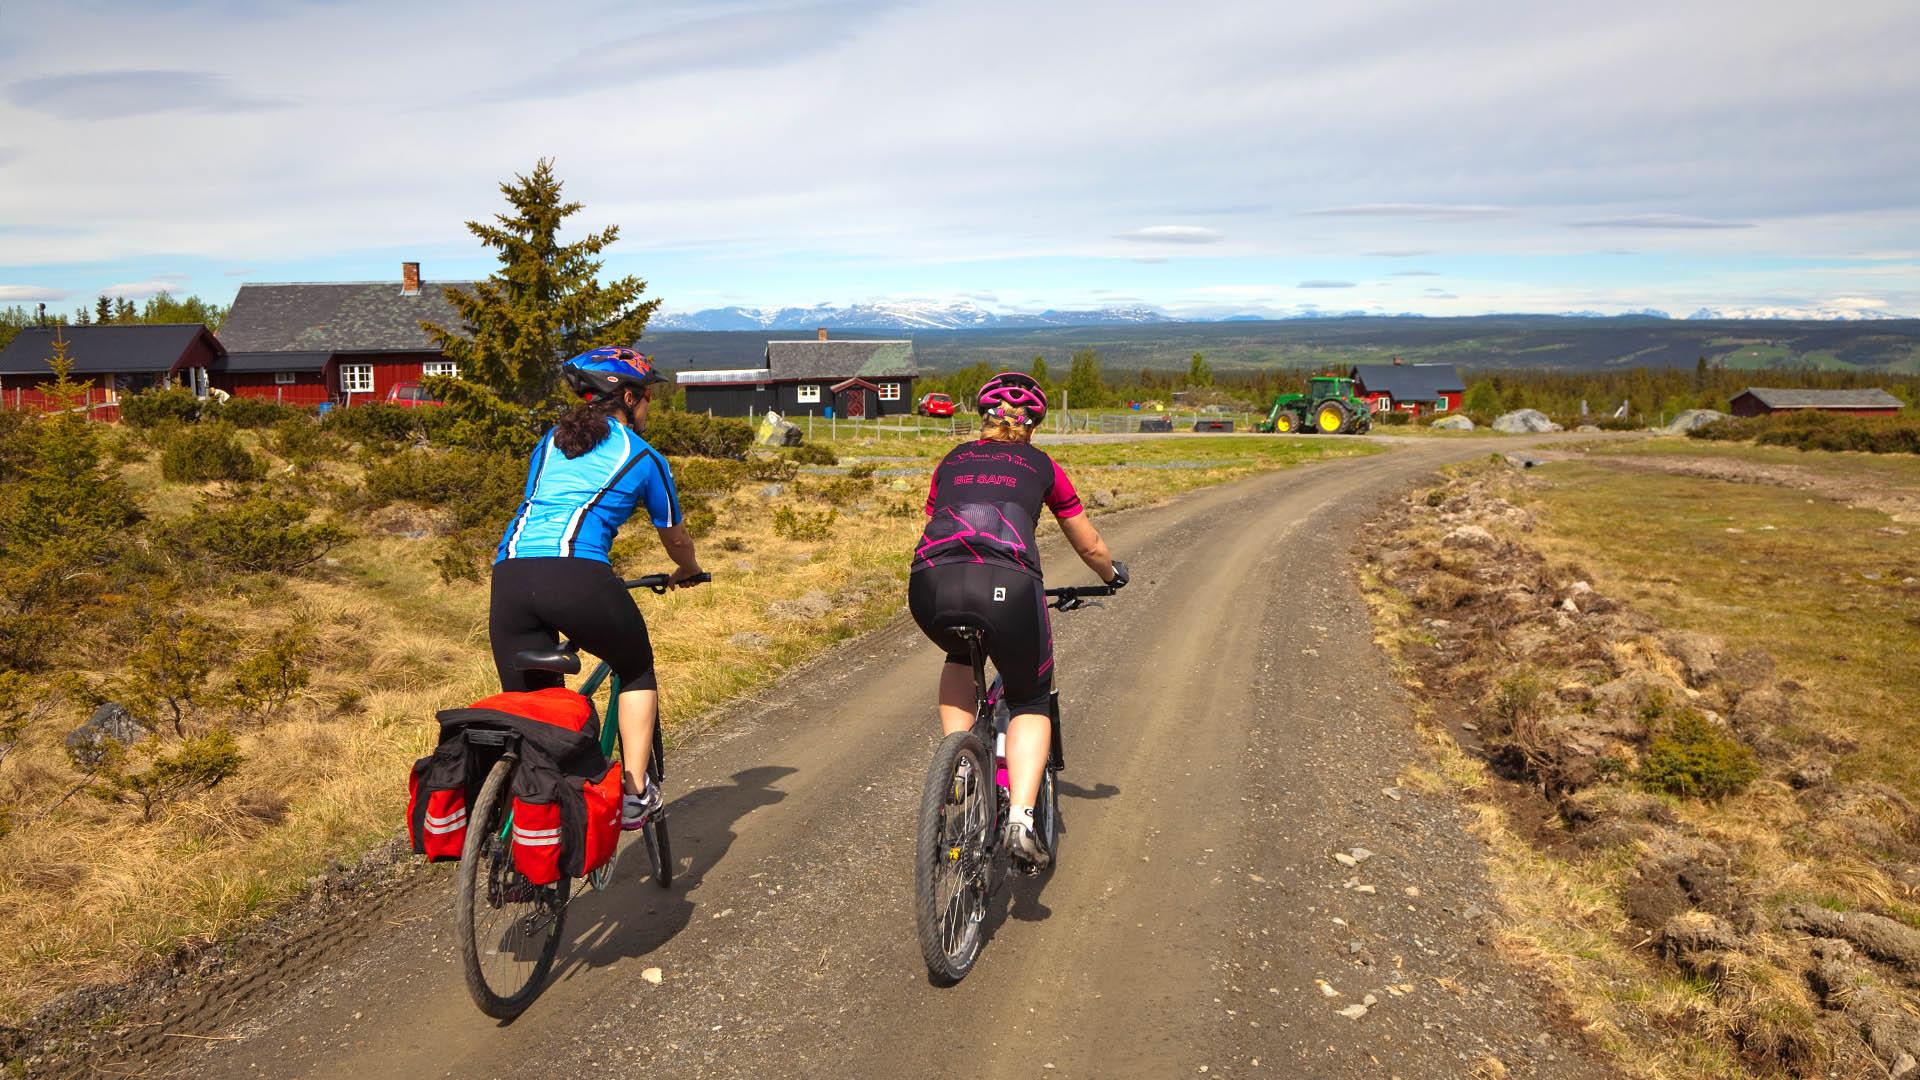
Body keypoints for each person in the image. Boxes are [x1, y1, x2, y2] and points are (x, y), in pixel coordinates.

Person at [908, 372, 1127, 870]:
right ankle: (1021, 821)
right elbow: (1088, 544)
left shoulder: (952, 460)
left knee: (959, 652)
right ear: (1033, 425)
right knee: (1030, 697)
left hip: (930, 583)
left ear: (981, 418)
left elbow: (937, 516)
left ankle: (957, 763)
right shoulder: (1043, 466)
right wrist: (1112, 574)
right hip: (1007, 586)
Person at [489, 346, 706, 830]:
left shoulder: (549, 443)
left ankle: (525, 846)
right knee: (635, 667)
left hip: (509, 577)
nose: (649, 407)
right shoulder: (644, 457)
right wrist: (687, 568)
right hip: (576, 576)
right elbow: (674, 536)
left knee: (535, 715)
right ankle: (633, 792)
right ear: (628, 397)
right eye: (647, 397)